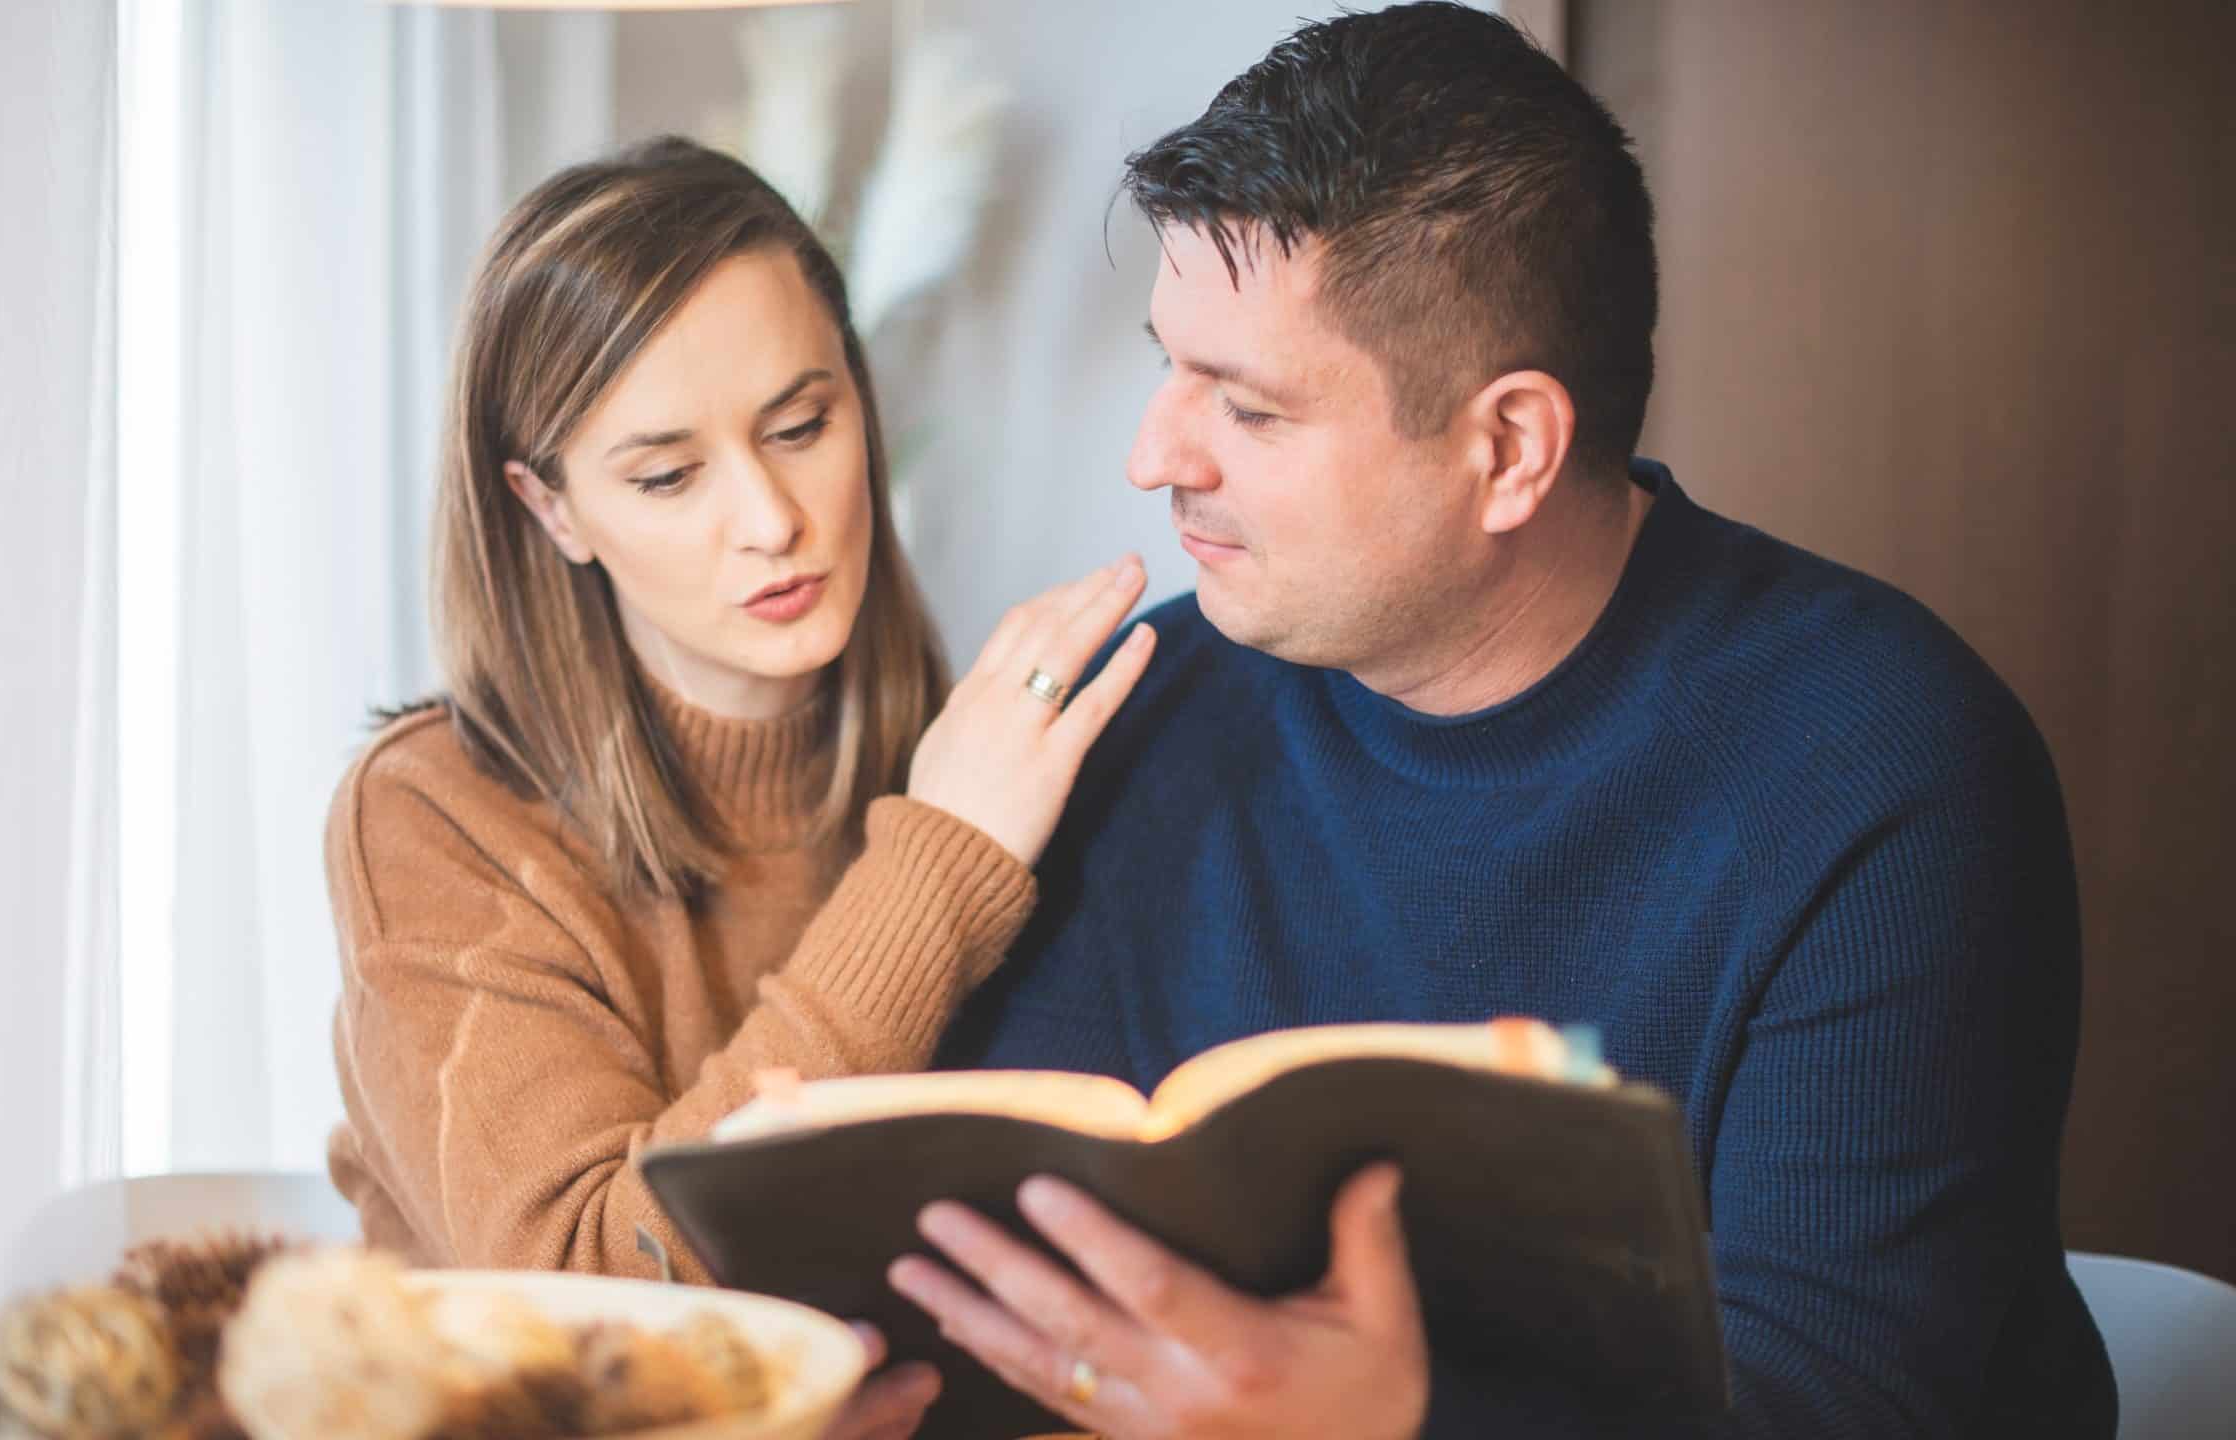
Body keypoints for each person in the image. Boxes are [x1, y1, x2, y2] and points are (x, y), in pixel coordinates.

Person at [891, 6, 2118, 1436]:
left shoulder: (1885, 770)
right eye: (1171, 364)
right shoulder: (1134, 719)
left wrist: (1388, 1419)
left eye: (1252, 410)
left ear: (1509, 448)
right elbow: (1005, 1295)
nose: (1155, 455)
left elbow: (1841, 1403)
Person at [320, 138, 1157, 1437]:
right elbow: (595, 1292)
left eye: (802, 424)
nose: (771, 516)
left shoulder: (965, 767)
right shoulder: (434, 817)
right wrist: (933, 872)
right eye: (667, 473)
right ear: (551, 510)